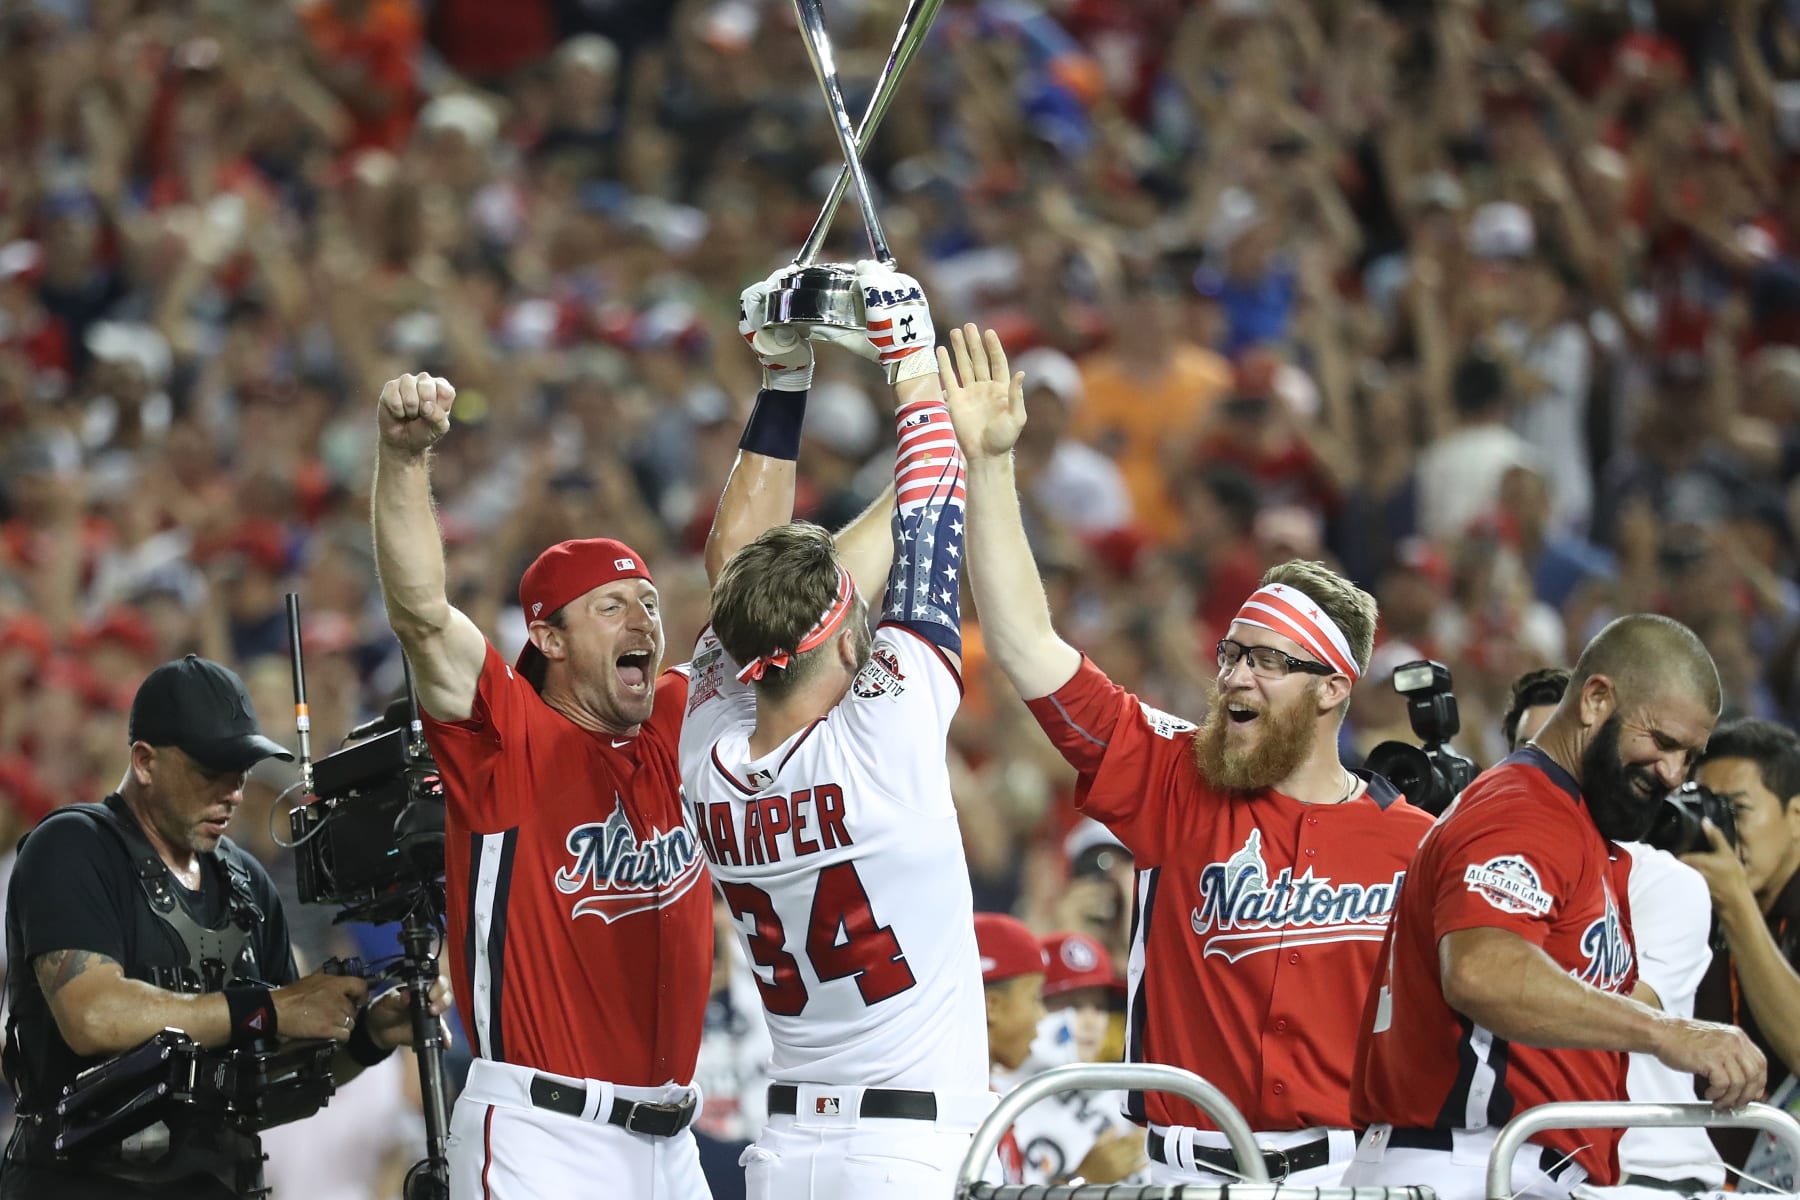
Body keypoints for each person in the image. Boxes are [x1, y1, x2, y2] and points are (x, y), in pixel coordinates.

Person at [944, 323, 1436, 1187]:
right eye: (1232, 654)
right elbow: (1025, 643)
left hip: (1345, 1175)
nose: (1238, 673)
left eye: (1268, 661)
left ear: (1332, 689)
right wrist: (988, 466)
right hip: (1186, 1176)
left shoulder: (1415, 842)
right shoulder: (1174, 773)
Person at [681, 262, 995, 1199]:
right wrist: (908, 359)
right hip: (906, 1152)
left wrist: (785, 380)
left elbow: (735, 569)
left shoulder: (709, 756)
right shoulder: (880, 736)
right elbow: (932, 511)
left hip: (787, 1152)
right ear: (848, 630)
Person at [370, 373, 713, 1198]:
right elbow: (421, 611)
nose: (644, 620)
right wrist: (403, 457)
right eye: (612, 608)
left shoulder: (674, 713)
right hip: (545, 1136)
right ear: (547, 637)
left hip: (674, 1143)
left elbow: (791, 596)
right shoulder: (506, 732)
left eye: (649, 602)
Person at [1348, 616, 1763, 1200]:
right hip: (1471, 1164)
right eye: (1662, 742)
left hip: (1509, 1166)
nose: (1673, 774)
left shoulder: (1578, 826)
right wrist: (1668, 1032)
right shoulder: (1525, 807)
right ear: (1595, 699)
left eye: (1690, 757)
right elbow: (1482, 970)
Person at [1, 655, 438, 1199]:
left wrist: (367, 1036)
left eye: (242, 770)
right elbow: (93, 1014)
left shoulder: (247, 883)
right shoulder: (73, 847)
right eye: (212, 770)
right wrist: (266, 1008)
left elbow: (266, 1083)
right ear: (144, 761)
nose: (233, 790)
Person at [1501, 667, 1729, 1198]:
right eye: (1532, 752)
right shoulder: (1486, 860)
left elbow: (1592, 1018)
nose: (1552, 774)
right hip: (1527, 1162)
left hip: (1650, 1173)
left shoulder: (1666, 883)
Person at [1689, 718, 1800, 1183]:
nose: (1721, 832)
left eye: (1736, 810)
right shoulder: (1693, 901)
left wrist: (1735, 903)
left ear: (1796, 817)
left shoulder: (1732, 901)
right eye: (1707, 811)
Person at [976, 912, 1048, 1189]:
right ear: (991, 1006)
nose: (1041, 1016)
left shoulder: (989, 1096)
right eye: (1035, 998)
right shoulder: (954, 1108)